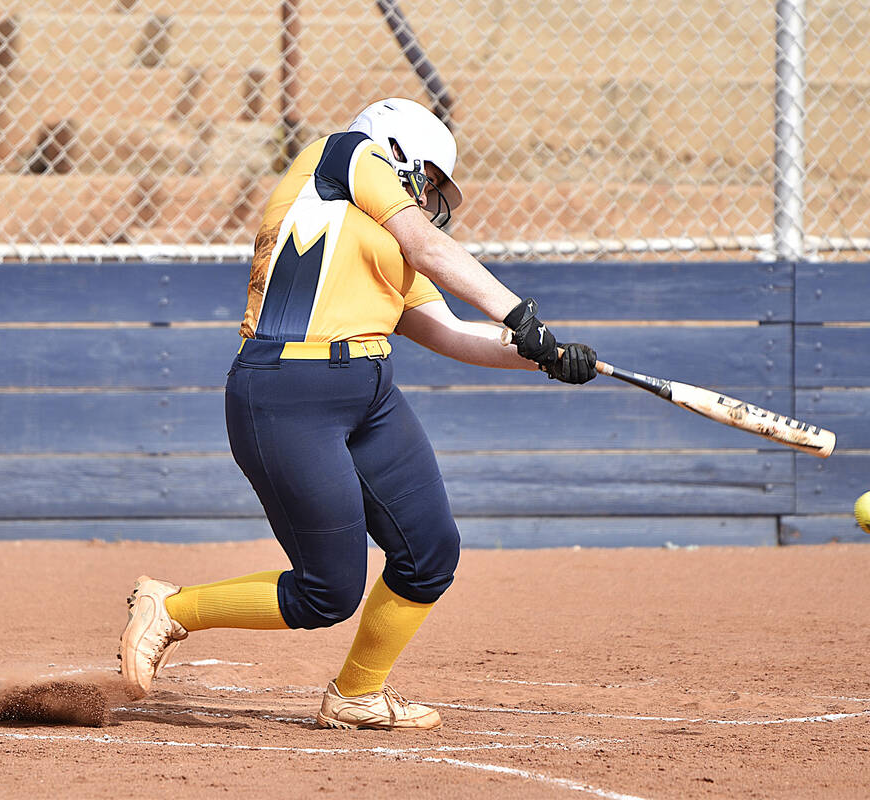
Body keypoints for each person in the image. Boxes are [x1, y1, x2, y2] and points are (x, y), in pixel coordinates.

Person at [118, 97, 598, 730]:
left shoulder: (385, 244)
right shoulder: (342, 155)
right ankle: (174, 607)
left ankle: (356, 695)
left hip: (369, 393)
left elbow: (451, 334)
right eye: (425, 177)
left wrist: (545, 356)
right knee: (329, 592)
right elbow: (427, 243)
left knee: (429, 553)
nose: (427, 195)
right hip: (287, 387)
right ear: (397, 148)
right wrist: (517, 315)